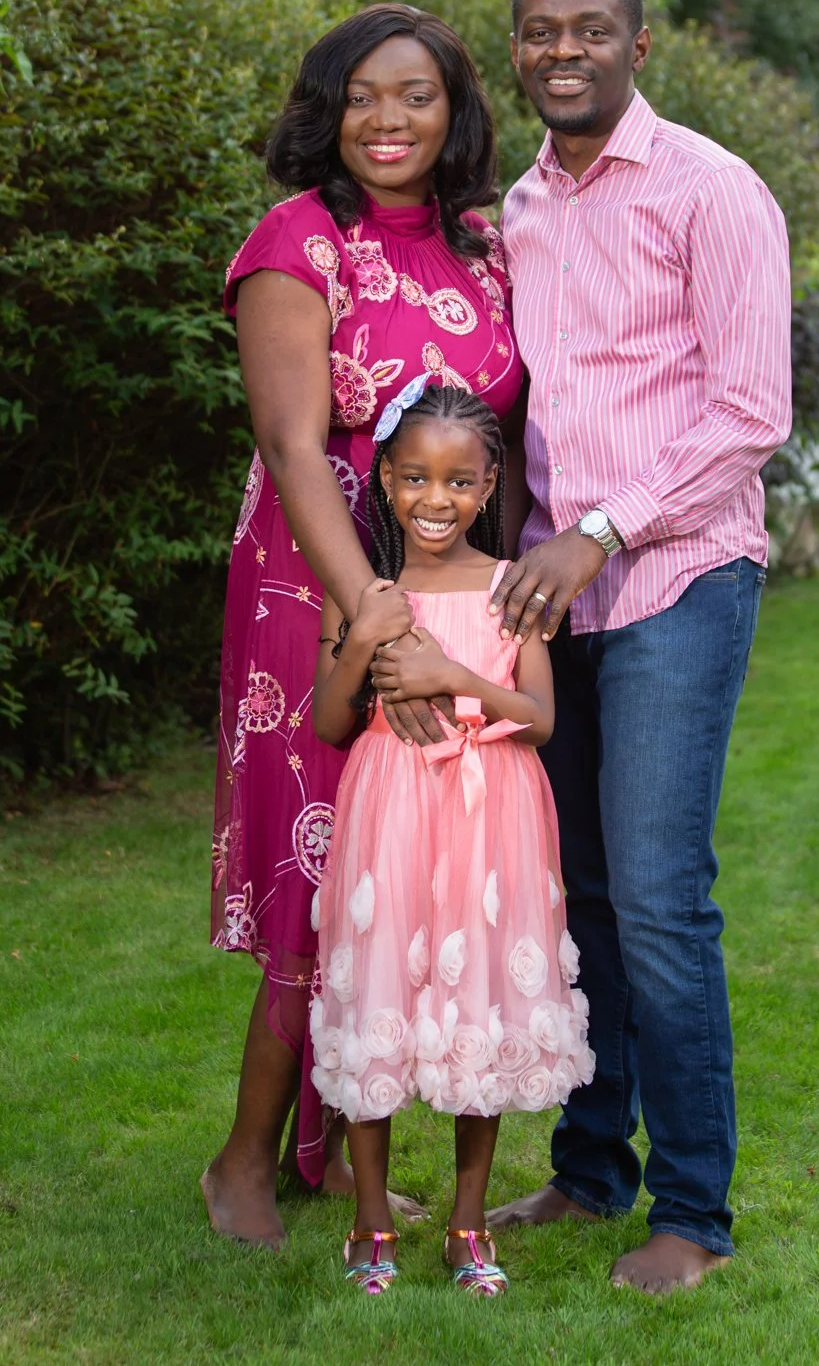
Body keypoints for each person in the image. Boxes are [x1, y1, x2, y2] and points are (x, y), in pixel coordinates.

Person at [484, 0, 793, 1295]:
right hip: (555, 600)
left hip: (675, 579)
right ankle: (593, 1166)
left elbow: (749, 414)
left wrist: (599, 531)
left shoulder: (711, 189)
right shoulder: (521, 208)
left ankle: (693, 1213)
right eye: (542, 32)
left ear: (638, 47)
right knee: (583, 900)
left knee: (662, 901)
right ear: (518, 53)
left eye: (591, 30)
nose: (567, 50)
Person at [203, 6, 524, 1252]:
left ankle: (329, 1154)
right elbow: (291, 444)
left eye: (418, 97)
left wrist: (466, 614)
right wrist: (371, 621)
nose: (388, 121)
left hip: (449, 592)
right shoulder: (298, 242)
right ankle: (242, 1159)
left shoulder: (485, 249)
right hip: (315, 585)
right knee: (322, 860)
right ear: (328, 111)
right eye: (361, 98)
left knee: (402, 867)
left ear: (456, 115)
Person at [310, 383, 594, 1296]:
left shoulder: (512, 585)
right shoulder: (364, 588)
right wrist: (369, 644)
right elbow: (327, 721)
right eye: (416, 478)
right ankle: (371, 1222)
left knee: (480, 1001)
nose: (437, 499)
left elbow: (541, 717)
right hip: (390, 807)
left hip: (492, 813)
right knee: (383, 981)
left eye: (460, 481)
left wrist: (451, 672)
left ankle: (469, 1225)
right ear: (386, 481)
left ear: (489, 484)